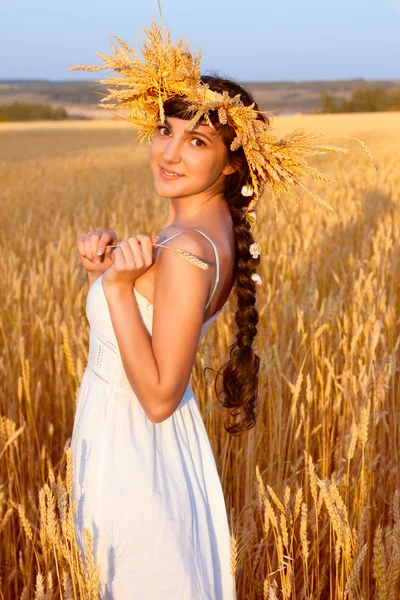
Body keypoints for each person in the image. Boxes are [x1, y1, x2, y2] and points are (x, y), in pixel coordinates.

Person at [69, 21, 349, 599]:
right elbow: (153, 324)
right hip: (133, 448)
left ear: (230, 163)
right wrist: (110, 275)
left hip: (134, 462)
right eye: (165, 131)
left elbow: (159, 397)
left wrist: (119, 290)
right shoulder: (200, 233)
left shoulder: (189, 249)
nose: (168, 153)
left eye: (196, 142)